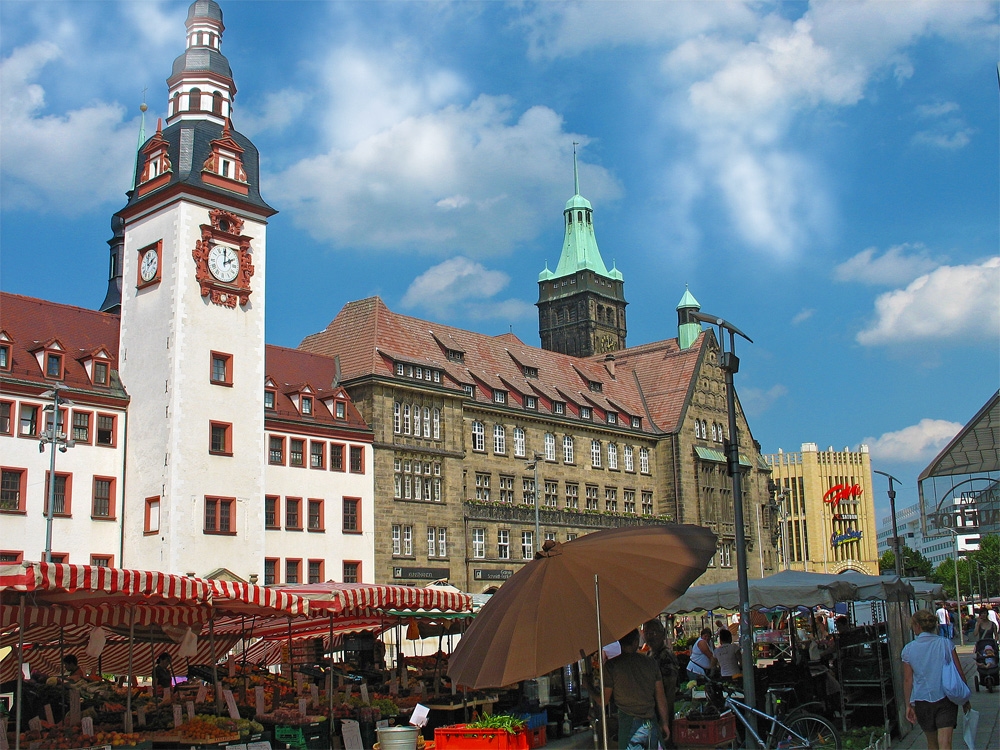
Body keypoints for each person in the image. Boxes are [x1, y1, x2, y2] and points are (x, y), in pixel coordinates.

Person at [902, 609, 970, 750]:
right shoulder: (946, 644)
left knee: (932, 743)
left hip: (922, 700)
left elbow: (908, 680)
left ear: (917, 626)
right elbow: (959, 672)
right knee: (946, 743)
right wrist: (965, 698)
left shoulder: (908, 650)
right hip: (946, 698)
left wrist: (908, 704)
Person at [603, 629, 671, 750]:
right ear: (635, 642)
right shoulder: (650, 663)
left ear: (620, 643)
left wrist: (589, 687)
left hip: (629, 723)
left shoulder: (612, 666)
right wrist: (665, 723)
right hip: (650, 723)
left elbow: (603, 700)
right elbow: (660, 696)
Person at [643, 619, 679, 748]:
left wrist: (664, 718)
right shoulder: (649, 654)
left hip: (662, 712)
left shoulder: (666, 656)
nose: (649, 636)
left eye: (653, 633)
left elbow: (669, 689)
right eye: (646, 633)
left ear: (662, 634)